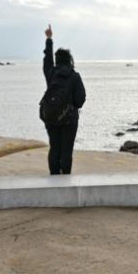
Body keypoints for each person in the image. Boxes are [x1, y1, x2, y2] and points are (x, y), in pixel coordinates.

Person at [42, 24, 86, 175]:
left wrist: (49, 39)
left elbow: (47, 61)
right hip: (69, 120)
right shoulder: (74, 76)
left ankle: (54, 179)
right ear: (69, 60)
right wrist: (71, 106)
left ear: (57, 60)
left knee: (54, 148)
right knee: (66, 151)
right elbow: (80, 99)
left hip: (51, 117)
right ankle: (65, 181)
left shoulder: (51, 73)